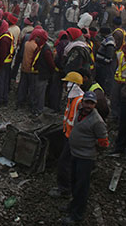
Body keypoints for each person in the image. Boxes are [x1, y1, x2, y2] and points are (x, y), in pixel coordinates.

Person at [61, 91, 109, 225]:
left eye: (91, 103)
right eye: (87, 102)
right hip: (75, 154)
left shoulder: (97, 121)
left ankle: (77, 214)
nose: (88, 105)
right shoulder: (80, 113)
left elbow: (104, 142)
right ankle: (72, 205)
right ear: (83, 102)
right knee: (75, 182)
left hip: (85, 158)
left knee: (82, 187)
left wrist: (91, 149)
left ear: (95, 105)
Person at [49, 71, 84, 199]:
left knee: (64, 163)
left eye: (65, 83)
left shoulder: (79, 101)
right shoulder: (73, 99)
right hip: (68, 134)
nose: (63, 86)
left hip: (73, 138)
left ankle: (65, 189)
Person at [29, 28, 55, 115]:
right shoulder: (40, 48)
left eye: (37, 38)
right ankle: (35, 108)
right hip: (37, 73)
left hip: (42, 75)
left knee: (40, 93)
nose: (35, 39)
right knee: (36, 92)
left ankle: (38, 110)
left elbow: (51, 65)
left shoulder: (46, 51)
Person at [0, 21, 14, 105]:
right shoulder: (8, 34)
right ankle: (4, 98)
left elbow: (2, 54)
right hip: (7, 62)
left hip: (3, 63)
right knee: (4, 80)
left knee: (0, 81)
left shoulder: (4, 39)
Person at [95, 27, 116, 93]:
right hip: (101, 64)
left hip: (103, 66)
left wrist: (103, 62)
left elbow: (109, 56)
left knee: (102, 81)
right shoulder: (107, 39)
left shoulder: (110, 42)